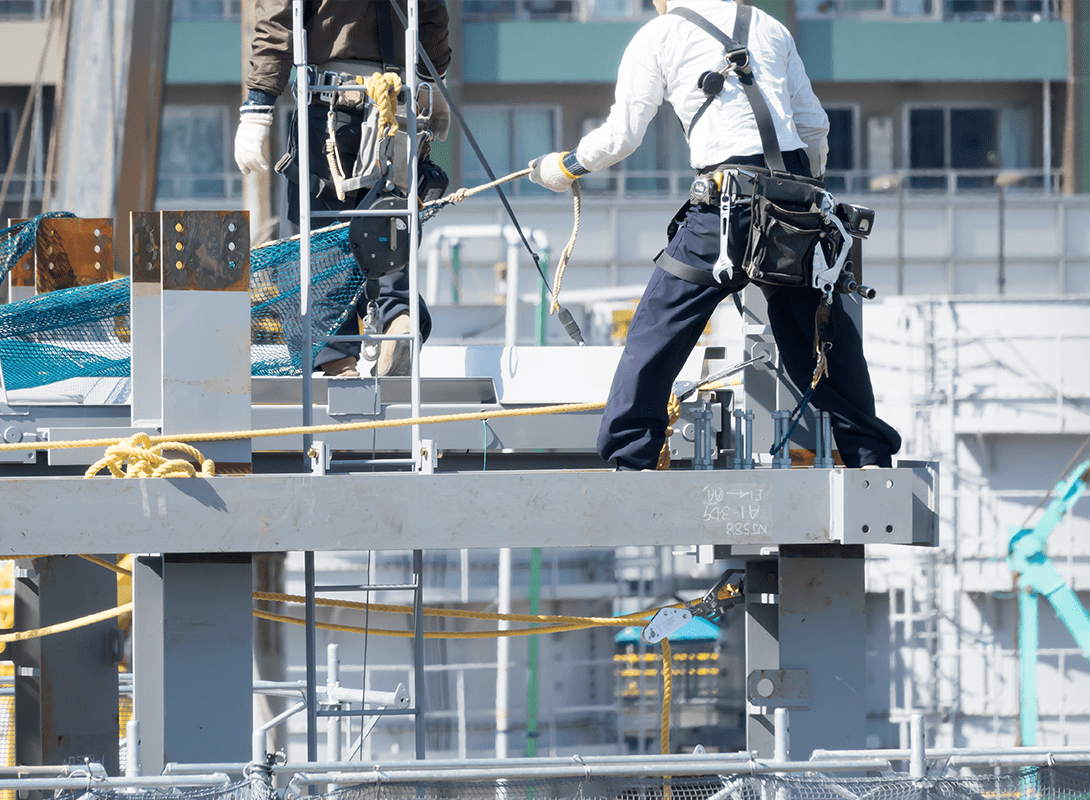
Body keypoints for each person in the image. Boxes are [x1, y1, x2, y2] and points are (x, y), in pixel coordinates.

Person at [529, 0, 900, 470]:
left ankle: (630, 456)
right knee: (819, 334)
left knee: (657, 328)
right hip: (797, 203)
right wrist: (807, 200)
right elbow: (813, 127)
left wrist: (564, 167)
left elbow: (621, 136)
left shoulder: (658, 36)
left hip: (727, 208)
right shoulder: (769, 26)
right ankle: (867, 456)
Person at [235, 0, 452, 377]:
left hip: (330, 108)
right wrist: (434, 85)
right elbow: (430, 14)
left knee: (318, 244)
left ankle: (336, 359)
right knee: (389, 223)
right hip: (398, 109)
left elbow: (277, 19)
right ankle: (397, 315)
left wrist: (258, 104)